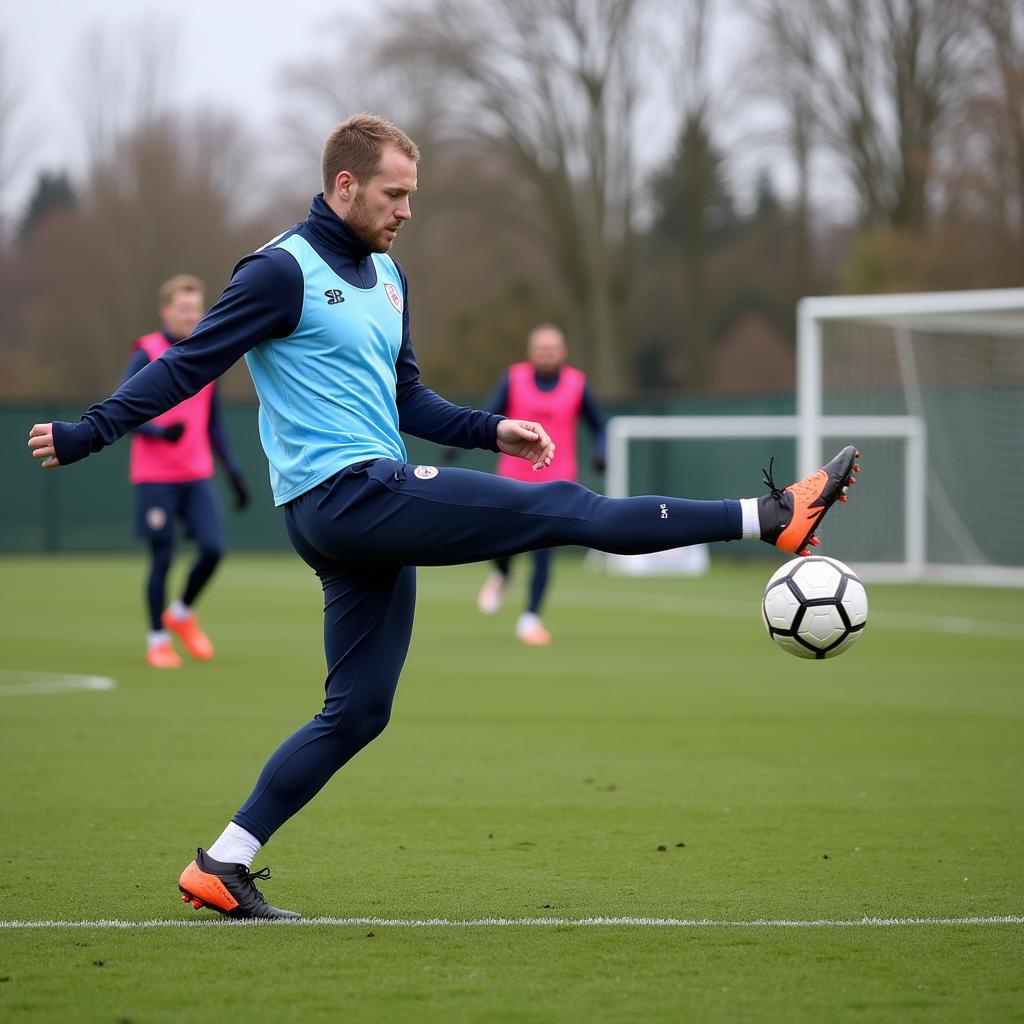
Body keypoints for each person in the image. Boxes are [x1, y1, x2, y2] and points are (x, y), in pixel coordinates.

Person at [27, 114, 860, 920]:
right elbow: (186, 366)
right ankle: (769, 515)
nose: (406, 211)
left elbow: (404, 397)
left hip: (356, 504)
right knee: (565, 509)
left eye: (412, 194)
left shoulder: (390, 277)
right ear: (345, 185)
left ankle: (223, 863)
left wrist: (489, 428)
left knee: (357, 712)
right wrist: (87, 432)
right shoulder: (278, 271)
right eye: (393, 194)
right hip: (346, 495)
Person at [123, 275, 250, 669]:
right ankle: (157, 640)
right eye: (183, 309)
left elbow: (213, 423)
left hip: (196, 473)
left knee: (213, 549)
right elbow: (122, 409)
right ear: (166, 310)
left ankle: (179, 614)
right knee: (162, 557)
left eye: (196, 309)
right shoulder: (147, 351)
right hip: (155, 475)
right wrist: (160, 431)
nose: (190, 316)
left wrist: (233, 472)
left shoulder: (207, 353)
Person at [475, 324, 607, 645]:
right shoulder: (514, 379)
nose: (546, 353)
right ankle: (504, 573)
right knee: (497, 539)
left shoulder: (577, 384)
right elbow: (486, 416)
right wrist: (457, 442)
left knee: (544, 550)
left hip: (556, 481)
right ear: (530, 351)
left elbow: (599, 426)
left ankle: (530, 619)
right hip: (513, 478)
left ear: (563, 352)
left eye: (552, 348)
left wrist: (601, 452)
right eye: (540, 348)